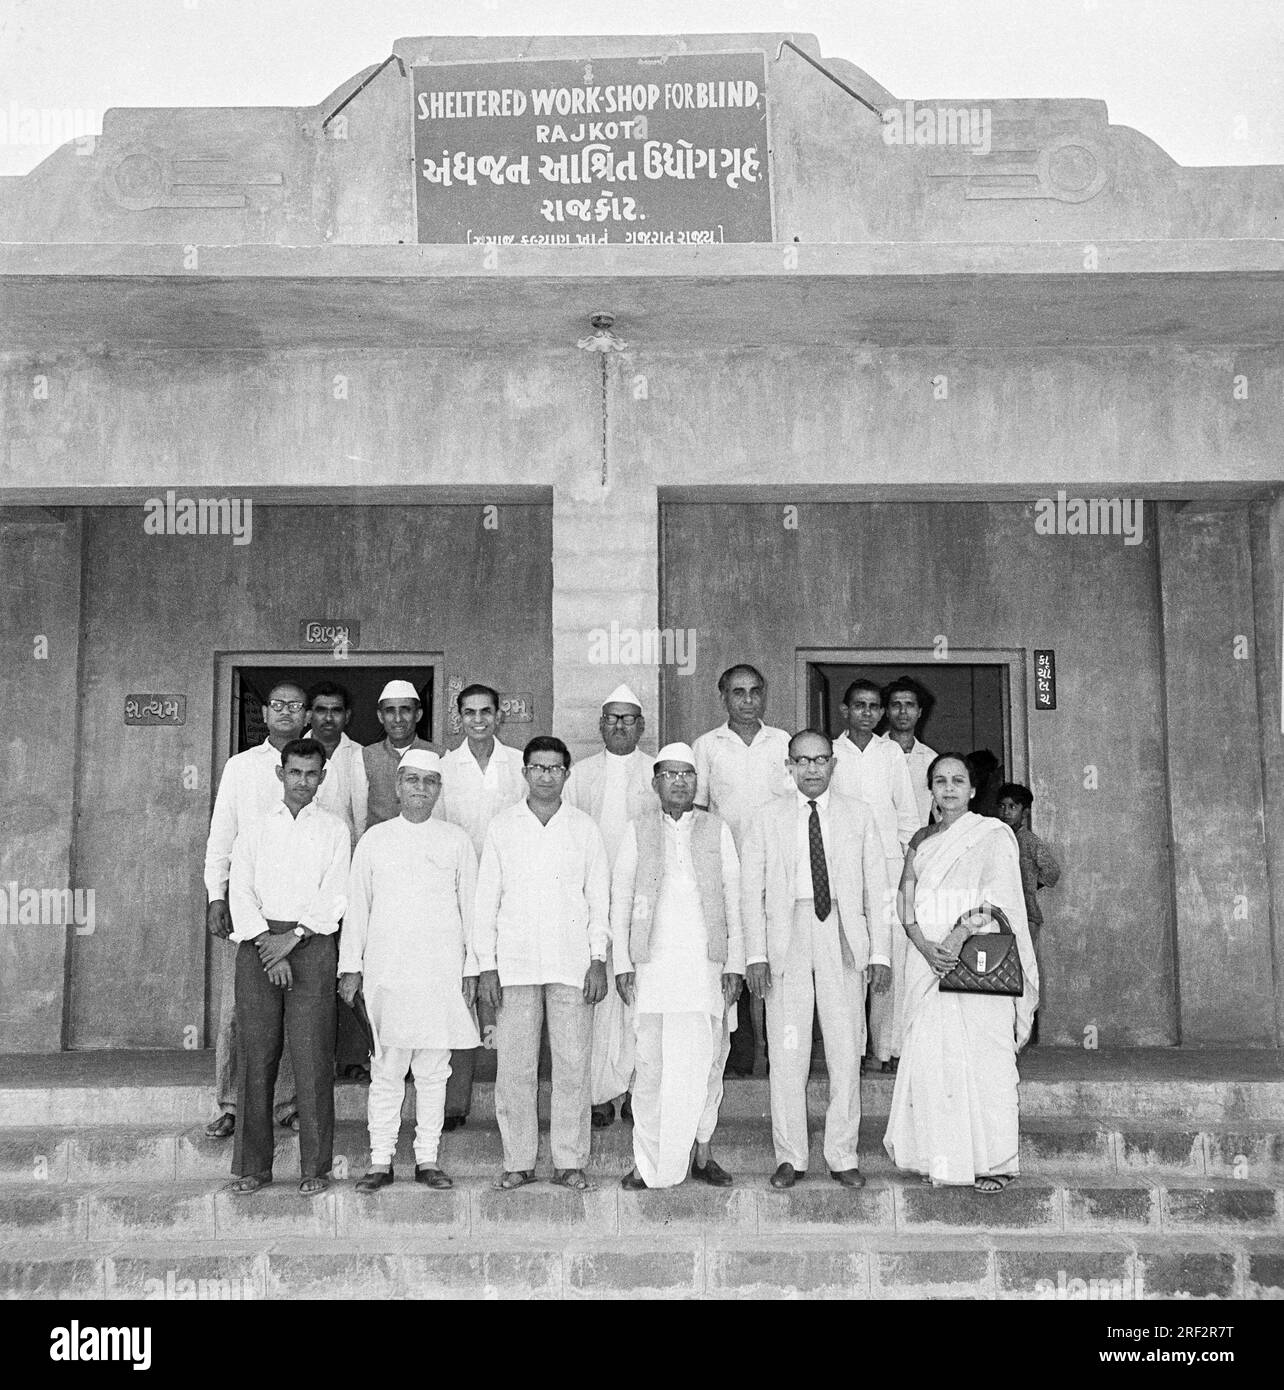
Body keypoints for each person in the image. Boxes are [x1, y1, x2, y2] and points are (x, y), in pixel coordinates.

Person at [742, 730, 891, 1190]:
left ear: (833, 765)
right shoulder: (766, 817)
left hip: (842, 935)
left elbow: (876, 887)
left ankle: (842, 1155)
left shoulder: (859, 815)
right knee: (789, 1053)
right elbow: (751, 891)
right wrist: (755, 954)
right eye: (801, 760)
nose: (811, 768)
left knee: (846, 1048)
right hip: (787, 935)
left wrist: (880, 952)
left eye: (820, 760)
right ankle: (791, 1156)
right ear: (788, 765)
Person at [884, 753, 1039, 1192]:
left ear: (973, 790)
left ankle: (994, 1162)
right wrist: (924, 946)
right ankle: (942, 1159)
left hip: (977, 964)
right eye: (939, 781)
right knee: (935, 1061)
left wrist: (957, 935)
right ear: (929, 789)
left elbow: (1002, 901)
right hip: (928, 962)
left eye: (957, 781)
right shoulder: (920, 839)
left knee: (985, 1060)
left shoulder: (992, 835)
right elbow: (903, 902)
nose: (948, 788)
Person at [340, 750, 479, 1192]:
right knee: (387, 1069)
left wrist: (473, 970)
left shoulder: (456, 841)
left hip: (440, 975)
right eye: (413, 780)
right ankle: (380, 1160)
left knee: (435, 1071)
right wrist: (350, 968)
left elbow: (471, 911)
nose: (421, 789)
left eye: (430, 782)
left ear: (439, 790)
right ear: (398, 786)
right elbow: (357, 908)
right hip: (387, 975)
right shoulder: (375, 840)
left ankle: (427, 1160)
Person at [475, 736, 610, 1192]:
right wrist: (487, 965)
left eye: (555, 768)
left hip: (572, 964)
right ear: (525, 773)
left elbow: (598, 900)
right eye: (538, 767)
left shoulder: (583, 828)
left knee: (573, 1066)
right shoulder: (502, 827)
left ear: (567, 775)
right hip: (514, 965)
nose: (546, 775)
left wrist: (597, 959)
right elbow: (485, 902)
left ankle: (570, 1161)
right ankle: (518, 1160)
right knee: (515, 1068)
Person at [612, 743, 744, 1189]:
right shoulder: (638, 829)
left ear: (696, 781)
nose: (680, 781)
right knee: (650, 1067)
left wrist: (736, 965)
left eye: (687, 774)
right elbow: (622, 900)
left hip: (707, 969)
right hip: (653, 970)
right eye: (669, 774)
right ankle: (646, 1163)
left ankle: (702, 1153)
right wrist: (622, 964)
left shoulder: (716, 829)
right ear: (656, 783)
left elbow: (734, 899)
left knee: (707, 1064)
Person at [226, 740, 350, 1195]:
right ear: (280, 774)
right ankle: (252, 1168)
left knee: (313, 1057)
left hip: (312, 945)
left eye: (311, 774)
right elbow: (240, 891)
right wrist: (266, 944)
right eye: (294, 772)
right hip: (258, 948)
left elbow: (335, 895)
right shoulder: (255, 828)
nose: (302, 781)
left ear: (322, 777)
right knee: (257, 1058)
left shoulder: (335, 830)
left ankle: (314, 1169)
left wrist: (291, 941)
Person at [202, 680, 307, 1140]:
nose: (286, 712)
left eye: (295, 706)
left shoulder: (318, 764)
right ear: (264, 713)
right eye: (278, 704)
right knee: (238, 1011)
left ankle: (286, 1104)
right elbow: (221, 835)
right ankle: (231, 1103)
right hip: (246, 908)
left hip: (300, 913)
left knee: (293, 1008)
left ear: (306, 715)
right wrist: (216, 895)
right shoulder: (240, 767)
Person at [433, 683, 526, 1132]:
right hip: (460, 892)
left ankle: (514, 1099)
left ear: (498, 715)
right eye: (469, 713)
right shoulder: (445, 767)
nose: (478, 720)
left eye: (486, 711)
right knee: (461, 993)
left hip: (511, 893)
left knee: (509, 991)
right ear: (459, 718)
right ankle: (455, 1102)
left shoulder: (518, 764)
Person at [693, 664, 792, 1076]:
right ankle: (738, 1053)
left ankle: (776, 1053)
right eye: (738, 692)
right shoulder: (707, 745)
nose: (748, 700)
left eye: (754, 691)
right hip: (726, 869)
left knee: (772, 958)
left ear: (764, 694)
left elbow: (795, 806)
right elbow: (698, 810)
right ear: (724, 697)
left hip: (776, 870)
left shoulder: (782, 742)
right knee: (731, 958)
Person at [564, 682, 656, 1129]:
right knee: (597, 999)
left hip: (643, 902)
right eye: (612, 718)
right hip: (593, 900)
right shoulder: (579, 774)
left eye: (628, 719)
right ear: (601, 725)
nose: (620, 726)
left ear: (641, 726)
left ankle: (638, 1090)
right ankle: (600, 1092)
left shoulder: (658, 771)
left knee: (639, 995)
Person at [830, 678, 919, 1073]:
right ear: (845, 710)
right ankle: (852, 1050)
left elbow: (908, 817)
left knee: (890, 956)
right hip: (841, 868)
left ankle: (885, 1048)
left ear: (881, 713)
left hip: (887, 865)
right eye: (859, 705)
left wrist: (906, 870)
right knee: (850, 956)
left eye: (873, 706)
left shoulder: (890, 754)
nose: (866, 712)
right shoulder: (830, 753)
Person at [997, 781, 1061, 1044]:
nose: (1006, 812)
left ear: (1024, 811)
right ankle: (1005, 1028)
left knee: (1023, 969)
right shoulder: (995, 835)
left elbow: (1053, 872)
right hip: (1001, 915)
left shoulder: (1030, 841)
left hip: (1027, 914)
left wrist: (1031, 887)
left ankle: (1023, 1029)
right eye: (1001, 806)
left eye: (1012, 807)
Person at [362, 679, 440, 828]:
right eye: (390, 711)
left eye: (405, 710)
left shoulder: (439, 755)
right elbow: (360, 817)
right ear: (380, 716)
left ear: (418, 714)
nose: (398, 719)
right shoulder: (365, 756)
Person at [306, 680, 368, 849]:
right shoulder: (291, 755)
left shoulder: (362, 756)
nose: (328, 718)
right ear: (309, 715)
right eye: (321, 710)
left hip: (347, 853)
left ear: (347, 716)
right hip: (301, 850)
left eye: (336, 711)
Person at [883, 677, 937, 828]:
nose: (903, 711)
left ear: (919, 712)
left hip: (918, 845)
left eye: (909, 705)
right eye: (896, 705)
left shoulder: (931, 760)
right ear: (886, 711)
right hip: (879, 846)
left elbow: (940, 811)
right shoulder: (870, 753)